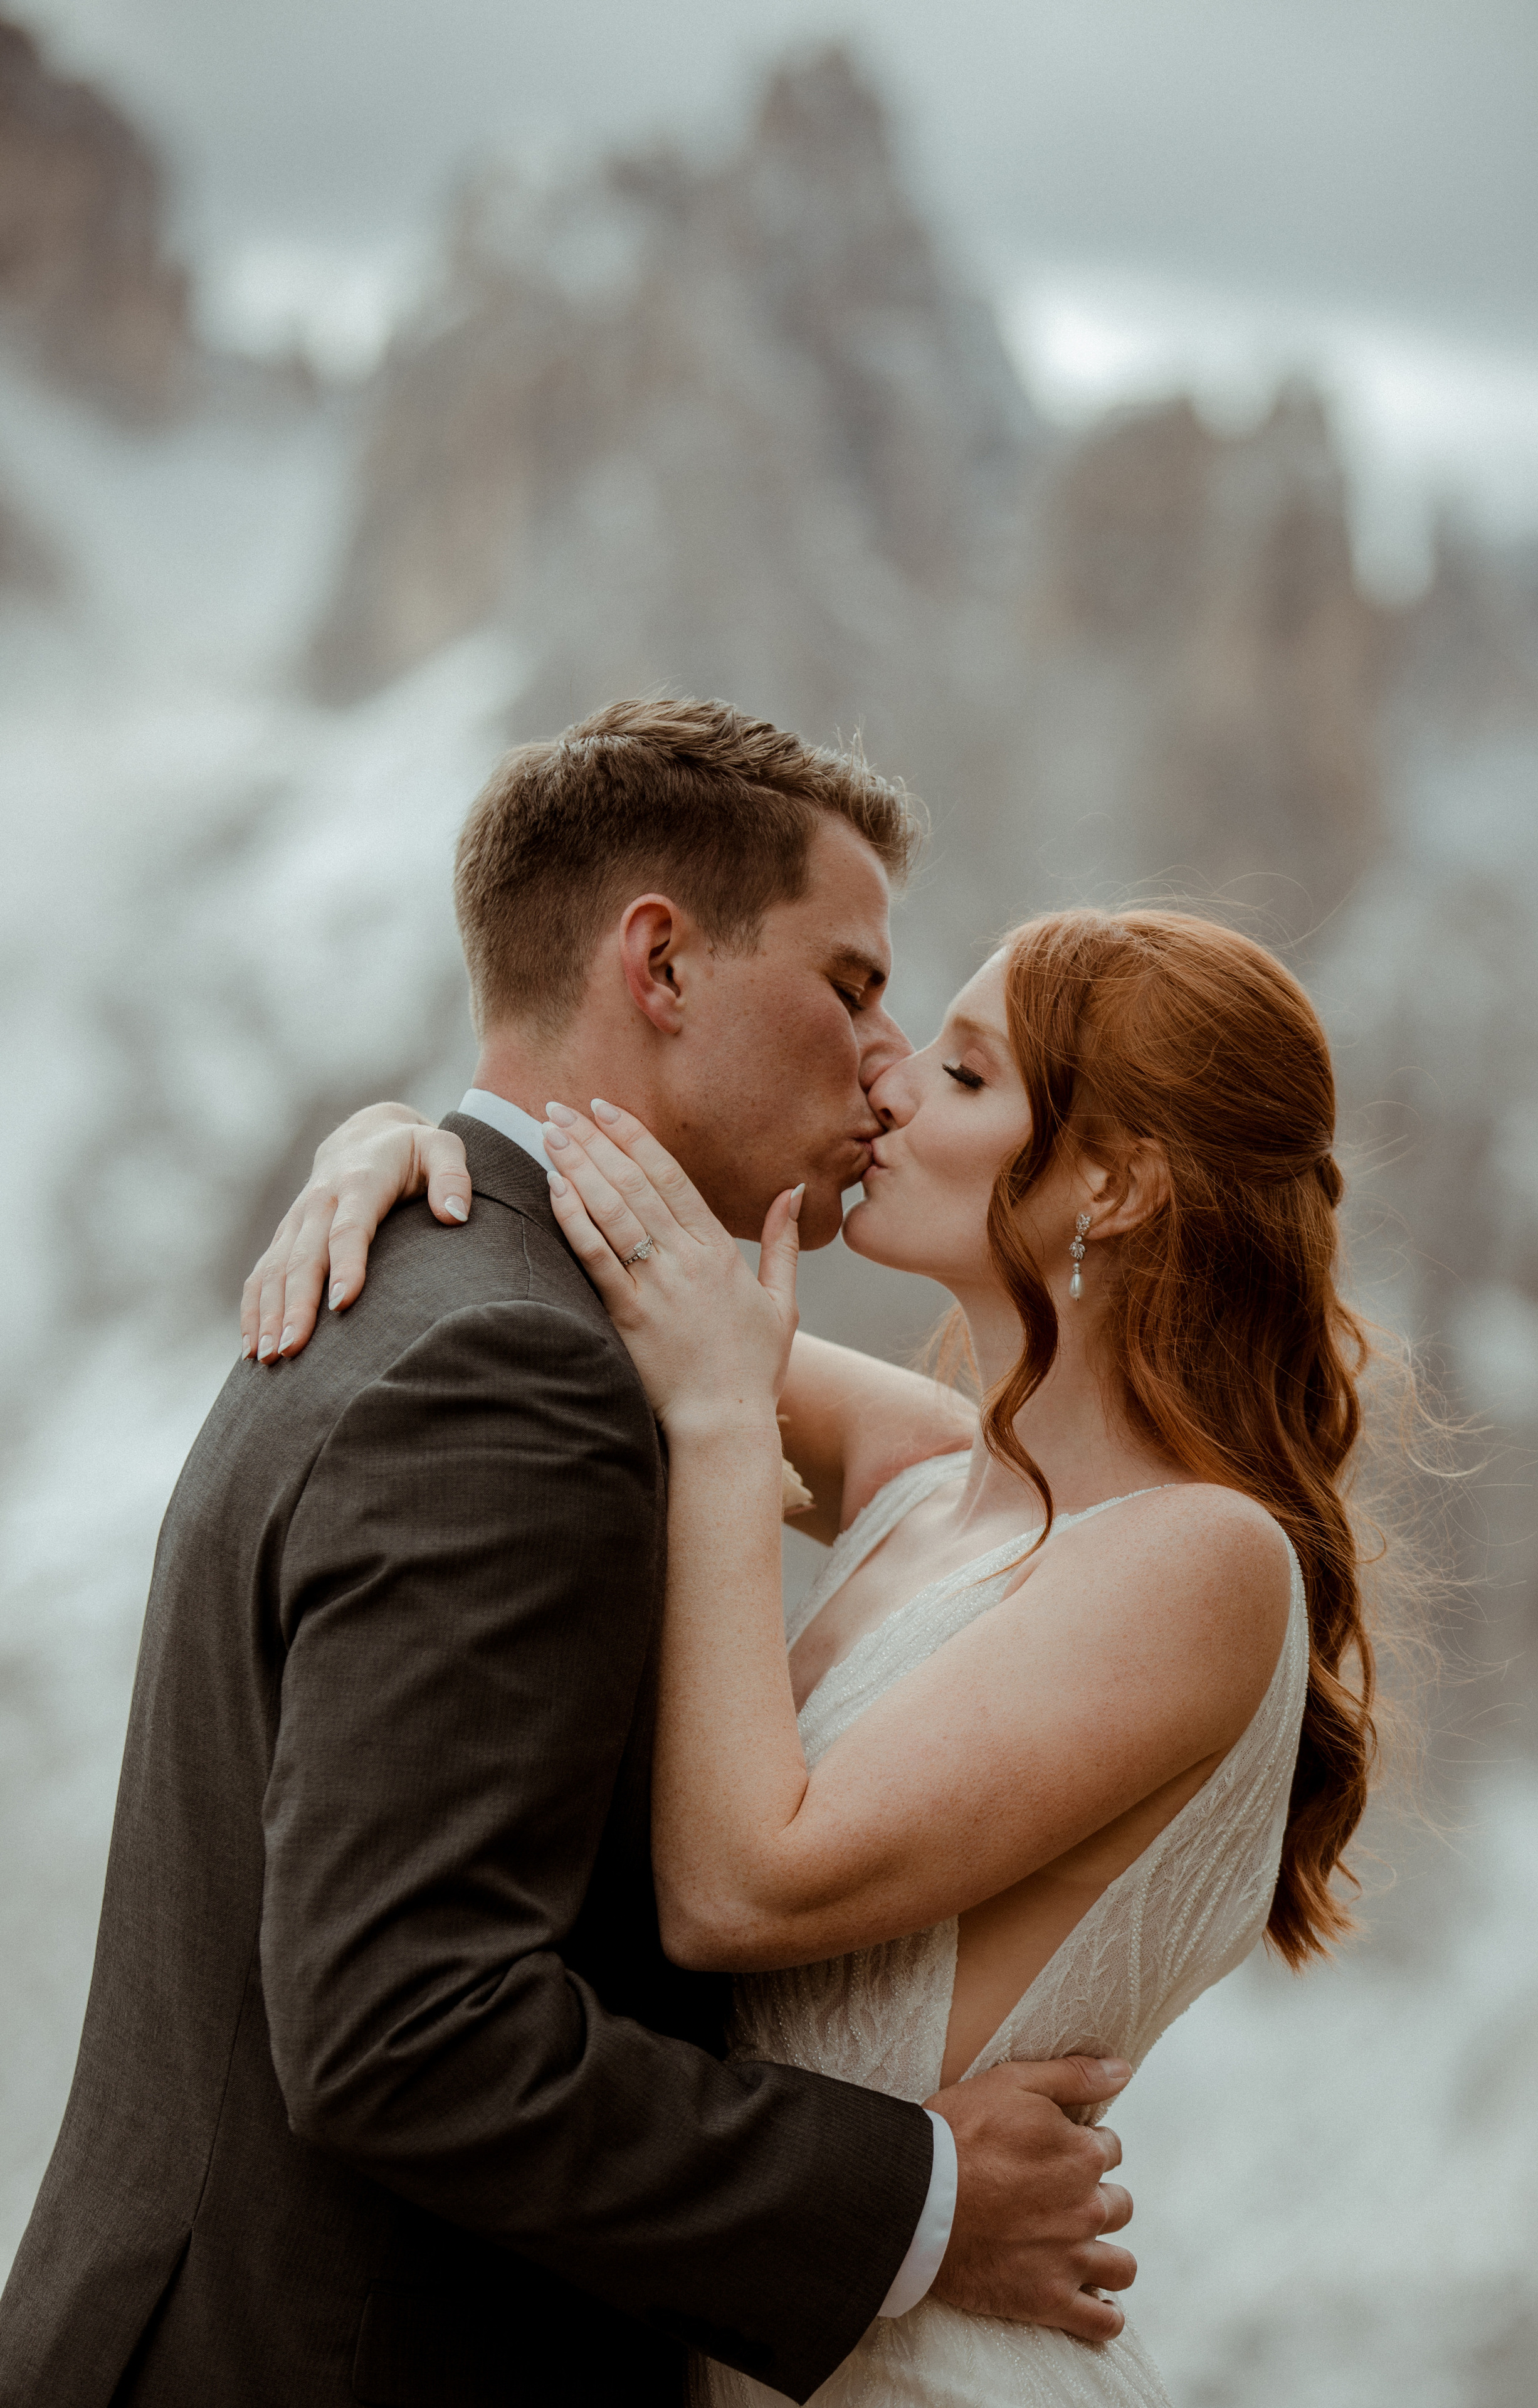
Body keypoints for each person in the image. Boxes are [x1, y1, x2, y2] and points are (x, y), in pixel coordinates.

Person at [0, 702, 1136, 2408]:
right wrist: (922, 2198)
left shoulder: (446, 1282)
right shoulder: (512, 1370)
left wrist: (388, 1127)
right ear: (659, 964)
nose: (889, 1063)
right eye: (849, 986)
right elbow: (408, 2030)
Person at [250, 892, 1390, 2406]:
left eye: (968, 1077)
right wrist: (393, 1141)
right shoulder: (930, 1466)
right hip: (762, 2338)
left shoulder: (1204, 1560)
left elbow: (735, 1890)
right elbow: (596, 1261)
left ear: (1112, 1185)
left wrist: (723, 1425)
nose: (890, 1081)